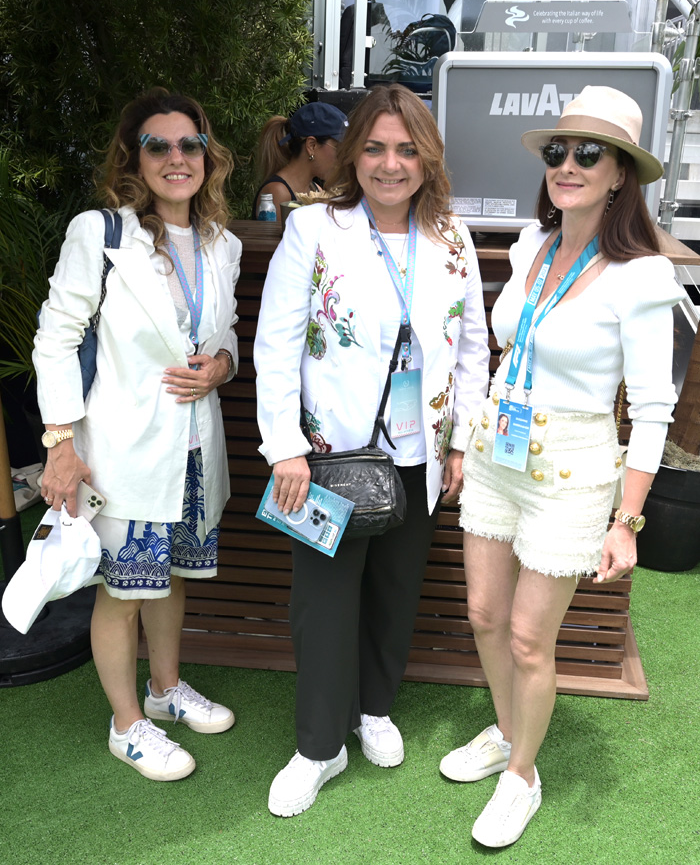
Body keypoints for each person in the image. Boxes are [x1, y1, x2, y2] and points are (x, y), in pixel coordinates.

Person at [439, 86, 683, 847]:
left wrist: (628, 520)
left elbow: (651, 409)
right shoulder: (528, 245)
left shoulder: (642, 276)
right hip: (497, 451)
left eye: (589, 153)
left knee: (524, 638)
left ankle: (522, 776)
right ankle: (511, 733)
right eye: (558, 151)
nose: (568, 165)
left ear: (621, 175)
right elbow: (506, 345)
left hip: (573, 469)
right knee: (482, 614)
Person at [254, 82, 490, 817]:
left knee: (396, 590)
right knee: (321, 603)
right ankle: (319, 747)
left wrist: (461, 442)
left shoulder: (451, 235)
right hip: (328, 457)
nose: (391, 164)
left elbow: (474, 348)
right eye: (378, 148)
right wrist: (284, 446)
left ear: (427, 159)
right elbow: (275, 343)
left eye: (407, 149)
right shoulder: (315, 229)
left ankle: (375, 708)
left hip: (420, 452)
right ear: (354, 156)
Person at [33, 89, 242, 781]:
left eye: (190, 145)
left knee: (171, 576)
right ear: (134, 156)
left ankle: (164, 688)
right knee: (123, 592)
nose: (177, 158)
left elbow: (227, 337)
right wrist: (60, 442)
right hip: (121, 446)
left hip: (191, 451)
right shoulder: (102, 234)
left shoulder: (222, 243)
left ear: (208, 157)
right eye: (160, 145)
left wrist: (221, 365)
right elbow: (56, 339)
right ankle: (128, 724)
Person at [251, 101, 349, 220]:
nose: (344, 157)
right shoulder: (278, 192)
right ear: (311, 146)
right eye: (339, 148)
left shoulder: (316, 189)